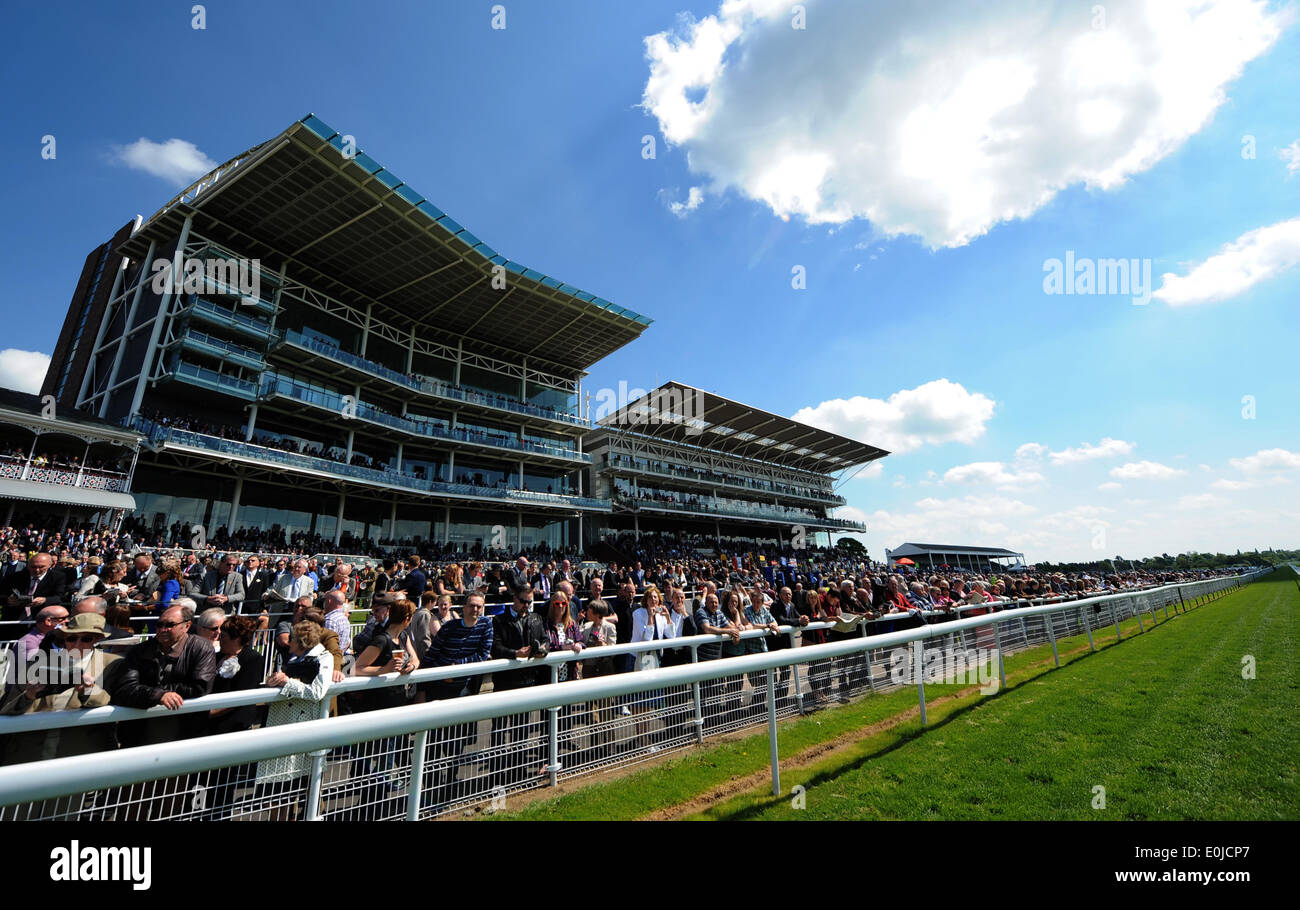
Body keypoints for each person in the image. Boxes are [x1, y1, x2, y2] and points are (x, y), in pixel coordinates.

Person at [1, 613, 121, 768]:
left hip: (77, 756)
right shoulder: (38, 663)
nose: (77, 644)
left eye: (86, 639)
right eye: (71, 638)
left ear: (96, 640)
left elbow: (114, 705)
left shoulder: (113, 663)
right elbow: (6, 708)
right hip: (29, 754)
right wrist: (28, 696)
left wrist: (88, 689)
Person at [250, 621, 333, 821]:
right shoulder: (294, 658)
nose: (289, 642)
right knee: (276, 793)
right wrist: (274, 682)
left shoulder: (323, 658)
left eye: (293, 638)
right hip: (280, 726)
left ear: (302, 641)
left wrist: (287, 683)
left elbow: (317, 691)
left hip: (300, 729)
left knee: (291, 790)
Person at [421, 592, 493, 813]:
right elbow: (433, 654)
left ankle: (450, 777)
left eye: (479, 607)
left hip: (462, 685)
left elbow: (483, 654)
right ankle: (430, 783)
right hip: (439, 684)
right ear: (463, 607)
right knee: (433, 736)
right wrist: (421, 683)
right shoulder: (449, 628)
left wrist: (457, 665)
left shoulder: (486, 626)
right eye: (472, 606)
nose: (476, 610)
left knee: (456, 736)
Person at [110, 599, 216, 747]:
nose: (162, 629)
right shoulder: (140, 651)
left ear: (187, 626)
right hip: (140, 730)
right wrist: (158, 695)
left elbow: (200, 686)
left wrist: (158, 692)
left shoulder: (201, 648)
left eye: (170, 625)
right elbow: (125, 688)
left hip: (182, 730)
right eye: (159, 624)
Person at [489, 585, 549, 787]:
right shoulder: (499, 620)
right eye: (523, 601)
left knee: (521, 728)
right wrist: (515, 653)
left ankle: (517, 769)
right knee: (499, 729)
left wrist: (542, 649)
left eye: (529, 602)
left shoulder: (536, 618)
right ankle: (496, 771)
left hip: (527, 679)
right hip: (505, 681)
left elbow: (545, 639)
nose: (526, 605)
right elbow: (495, 647)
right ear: (514, 599)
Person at [205, 614, 264, 819]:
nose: (220, 638)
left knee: (224, 780)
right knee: (205, 779)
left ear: (238, 638)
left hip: (232, 726)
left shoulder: (252, 659)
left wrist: (211, 713)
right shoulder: (217, 657)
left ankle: (220, 816)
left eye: (225, 635)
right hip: (211, 725)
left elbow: (241, 695)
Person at [629, 584, 671, 752]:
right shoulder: (638, 614)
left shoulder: (660, 614)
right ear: (645, 600)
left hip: (654, 659)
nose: (653, 600)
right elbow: (645, 638)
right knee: (640, 700)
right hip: (640, 658)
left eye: (656, 597)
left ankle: (643, 735)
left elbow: (671, 635)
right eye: (650, 597)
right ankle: (641, 736)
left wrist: (667, 618)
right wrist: (650, 618)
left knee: (649, 700)